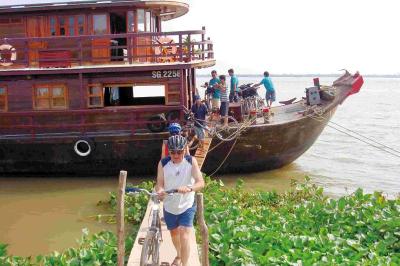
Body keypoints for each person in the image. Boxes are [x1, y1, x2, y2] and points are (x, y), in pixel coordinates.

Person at [156, 135, 205, 266]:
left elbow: (201, 183)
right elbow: (159, 183)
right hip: (169, 205)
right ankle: (178, 254)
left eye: (179, 151)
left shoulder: (191, 161)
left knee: (184, 234)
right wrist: (160, 191)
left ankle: (185, 263)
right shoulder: (163, 163)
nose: (176, 155)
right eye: (173, 152)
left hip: (187, 205)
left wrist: (189, 188)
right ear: (169, 151)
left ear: (185, 150)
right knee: (174, 234)